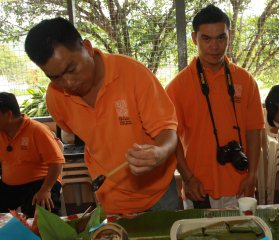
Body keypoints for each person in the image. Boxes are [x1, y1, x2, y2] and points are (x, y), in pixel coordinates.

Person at [24, 17, 179, 214]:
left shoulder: (133, 74)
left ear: (87, 47)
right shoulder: (56, 98)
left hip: (159, 194)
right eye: (55, 77)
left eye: (71, 69)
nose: (69, 83)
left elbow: (167, 130)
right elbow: (78, 133)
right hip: (110, 196)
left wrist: (160, 152)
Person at [166, 5, 264, 209]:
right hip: (199, 187)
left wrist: (252, 174)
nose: (214, 46)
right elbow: (171, 139)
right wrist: (187, 177)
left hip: (240, 184)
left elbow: (254, 130)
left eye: (221, 38)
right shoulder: (177, 86)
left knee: (241, 238)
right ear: (194, 38)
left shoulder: (245, 81)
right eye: (206, 38)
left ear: (230, 36)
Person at [0, 92, 64, 217]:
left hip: (40, 183)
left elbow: (56, 162)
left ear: (8, 115)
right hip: (9, 186)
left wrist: (45, 190)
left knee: (44, 218)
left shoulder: (37, 130)